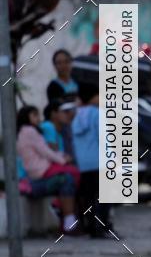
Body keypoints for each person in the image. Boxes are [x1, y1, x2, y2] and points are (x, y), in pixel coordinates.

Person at [16, 105, 79, 235]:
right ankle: (67, 218)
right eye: (34, 115)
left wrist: (61, 157)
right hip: (38, 175)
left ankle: (66, 218)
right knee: (68, 177)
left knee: (68, 179)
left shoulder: (27, 131)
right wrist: (62, 160)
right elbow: (45, 151)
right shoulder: (29, 131)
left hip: (39, 173)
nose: (38, 118)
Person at [72, 84, 112, 238]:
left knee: (88, 197)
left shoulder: (76, 115)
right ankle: (102, 226)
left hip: (83, 164)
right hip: (99, 161)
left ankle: (90, 226)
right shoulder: (98, 113)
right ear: (93, 97)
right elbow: (104, 138)